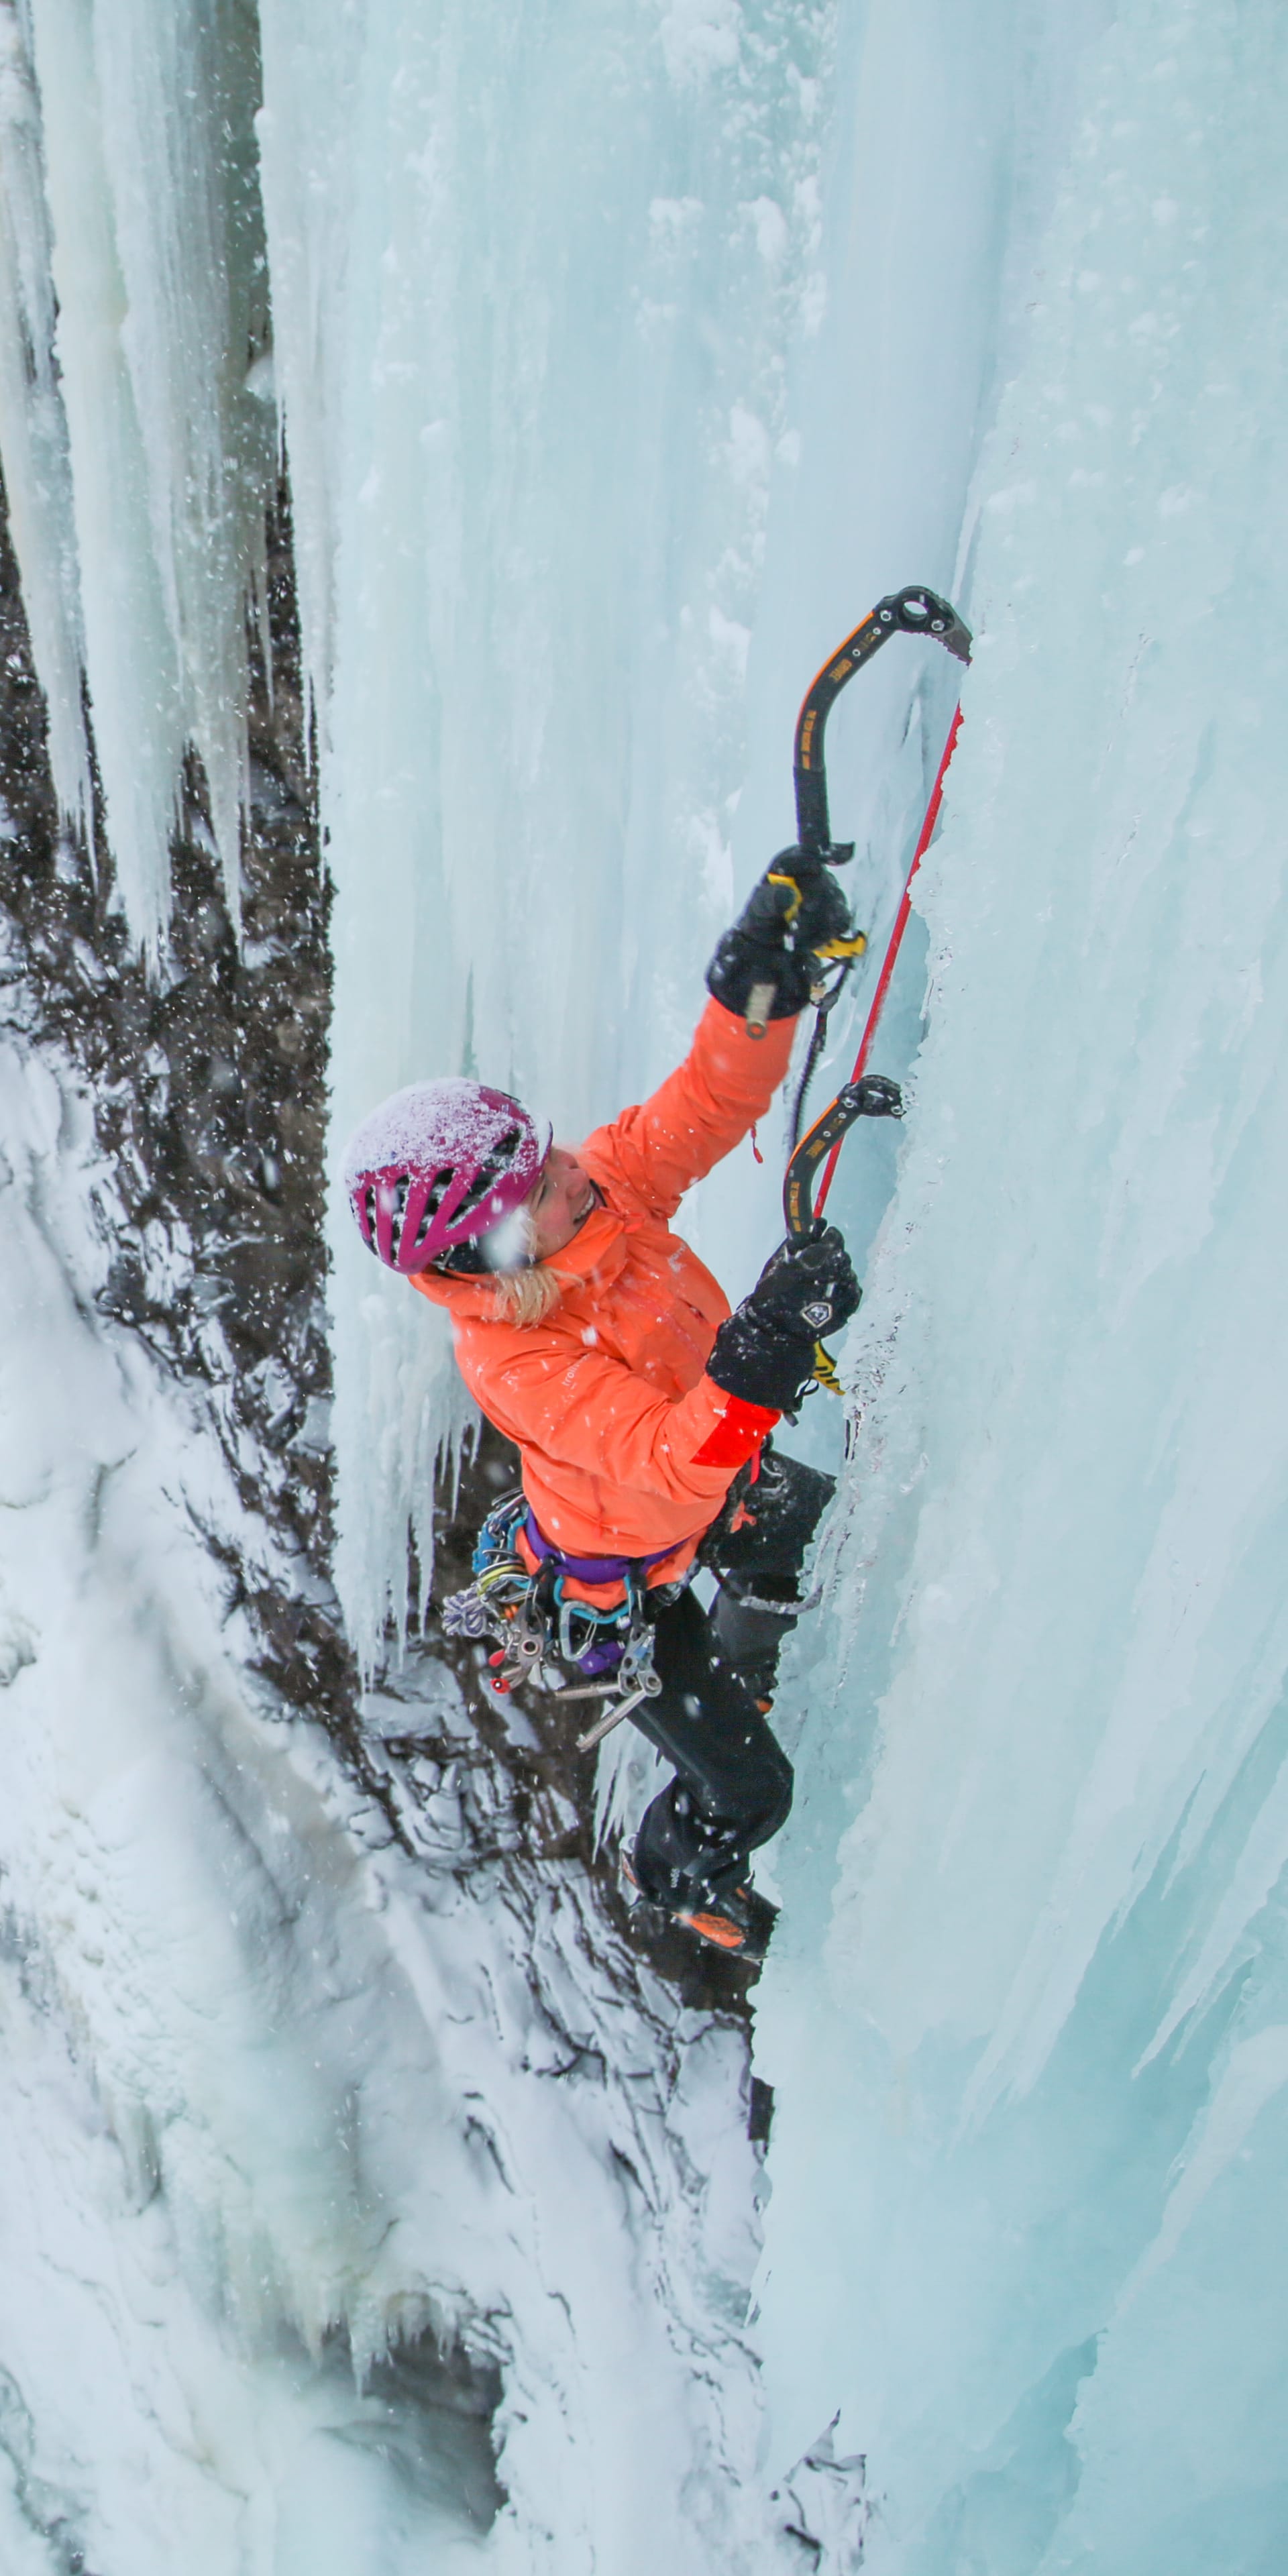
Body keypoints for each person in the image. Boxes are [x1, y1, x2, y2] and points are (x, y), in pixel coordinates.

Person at [343, 856, 865, 1957]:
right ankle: (676, 1870)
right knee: (752, 1791)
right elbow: (673, 1462)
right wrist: (765, 1356)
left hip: (705, 1492)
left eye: (545, 1151)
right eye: (539, 1183)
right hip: (626, 1581)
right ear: (493, 1248)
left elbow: (706, 1105)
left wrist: (753, 997)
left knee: (807, 1527)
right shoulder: (514, 1359)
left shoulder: (603, 1190)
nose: (570, 1165)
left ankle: (757, 1639)